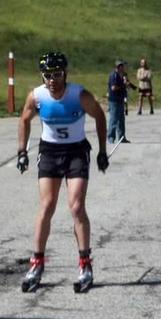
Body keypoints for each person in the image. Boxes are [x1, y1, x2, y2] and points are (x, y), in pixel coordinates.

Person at [16, 52, 109, 293]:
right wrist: (22, 152)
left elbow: (99, 115)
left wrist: (101, 151)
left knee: (76, 207)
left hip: (76, 152)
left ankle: (85, 264)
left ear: (65, 74)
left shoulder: (79, 95)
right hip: (49, 152)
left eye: (57, 74)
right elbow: (24, 119)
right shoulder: (37, 96)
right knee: (47, 205)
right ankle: (36, 264)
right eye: (48, 75)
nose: (52, 80)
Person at [107, 60, 134, 144]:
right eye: (121, 66)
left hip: (121, 99)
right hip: (114, 100)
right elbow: (113, 88)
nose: (123, 67)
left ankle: (122, 138)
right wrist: (123, 85)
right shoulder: (113, 75)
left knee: (121, 119)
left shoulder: (123, 75)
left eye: (123, 66)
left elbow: (127, 85)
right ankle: (111, 137)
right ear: (118, 67)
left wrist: (129, 86)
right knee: (114, 119)